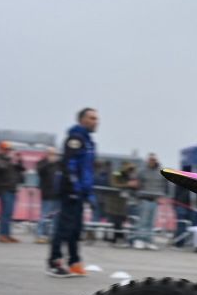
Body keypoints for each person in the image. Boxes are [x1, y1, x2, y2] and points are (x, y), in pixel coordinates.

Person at [48, 108, 98, 277]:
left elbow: (87, 170)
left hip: (81, 192)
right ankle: (54, 262)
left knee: (76, 229)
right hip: (71, 190)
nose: (96, 121)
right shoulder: (75, 139)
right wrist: (74, 188)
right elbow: (70, 165)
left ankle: (74, 262)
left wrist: (89, 193)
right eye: (92, 118)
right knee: (64, 227)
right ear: (82, 120)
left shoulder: (89, 141)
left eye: (96, 118)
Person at [0, 141, 24, 242]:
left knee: (9, 213)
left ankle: (7, 234)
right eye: (6, 149)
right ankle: (2, 234)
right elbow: (0, 167)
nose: (8, 151)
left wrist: (18, 162)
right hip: (4, 188)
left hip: (12, 188)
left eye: (9, 149)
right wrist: (9, 159)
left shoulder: (10, 160)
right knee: (5, 213)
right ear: (1, 149)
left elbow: (20, 172)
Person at [132, 153, 165, 249]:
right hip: (144, 199)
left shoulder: (161, 172)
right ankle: (139, 239)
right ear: (147, 161)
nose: (152, 161)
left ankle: (148, 240)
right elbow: (137, 185)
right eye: (150, 160)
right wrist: (137, 195)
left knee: (151, 222)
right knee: (143, 221)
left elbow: (165, 185)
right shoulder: (141, 171)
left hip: (155, 200)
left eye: (154, 160)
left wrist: (163, 196)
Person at [104, 162, 137, 246]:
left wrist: (132, 183)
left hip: (122, 202)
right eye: (129, 169)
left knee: (121, 220)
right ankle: (114, 238)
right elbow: (113, 184)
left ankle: (119, 237)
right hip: (114, 201)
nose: (130, 171)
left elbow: (133, 186)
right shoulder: (117, 172)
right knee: (114, 220)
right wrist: (127, 184)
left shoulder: (129, 176)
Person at [35, 146, 61, 242]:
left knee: (56, 216)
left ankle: (53, 235)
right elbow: (39, 171)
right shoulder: (42, 163)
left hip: (58, 194)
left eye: (55, 154)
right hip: (47, 193)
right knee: (45, 215)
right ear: (47, 154)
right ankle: (41, 234)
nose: (53, 156)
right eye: (51, 153)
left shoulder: (59, 164)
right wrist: (49, 162)